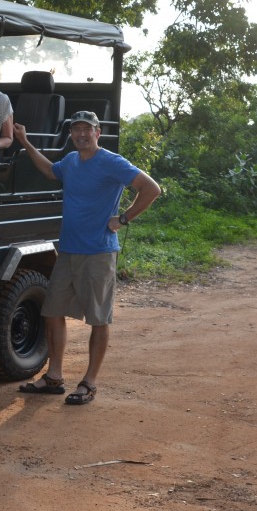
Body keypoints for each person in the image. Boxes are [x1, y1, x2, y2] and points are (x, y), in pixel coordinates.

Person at [14, 110, 161, 405]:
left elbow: (151, 189)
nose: (81, 134)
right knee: (52, 311)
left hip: (98, 252)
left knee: (98, 319)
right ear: (72, 134)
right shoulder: (70, 161)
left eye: (87, 129)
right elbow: (49, 171)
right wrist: (26, 143)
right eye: (76, 129)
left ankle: (89, 382)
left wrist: (124, 218)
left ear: (98, 133)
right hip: (68, 251)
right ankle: (54, 376)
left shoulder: (111, 162)